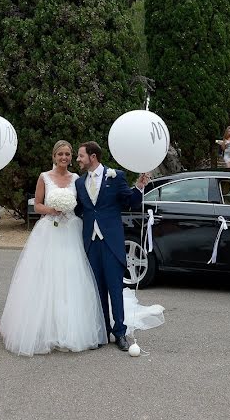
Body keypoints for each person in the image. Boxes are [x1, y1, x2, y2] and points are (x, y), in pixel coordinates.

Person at [0, 141, 109, 355]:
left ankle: (70, 328)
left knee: (70, 276)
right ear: (54, 156)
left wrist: (69, 208)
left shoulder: (77, 179)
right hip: (49, 230)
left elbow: (83, 204)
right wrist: (52, 209)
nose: (64, 157)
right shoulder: (44, 177)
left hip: (70, 231)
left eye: (68, 154)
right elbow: (36, 204)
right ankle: (44, 328)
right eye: (60, 153)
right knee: (46, 277)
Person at [74, 141, 149, 352]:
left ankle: (120, 333)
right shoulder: (80, 183)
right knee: (97, 291)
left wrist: (140, 187)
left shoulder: (116, 176)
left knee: (115, 289)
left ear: (93, 157)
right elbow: (81, 209)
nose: (77, 159)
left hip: (111, 242)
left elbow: (130, 202)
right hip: (91, 242)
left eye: (80, 156)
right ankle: (102, 332)